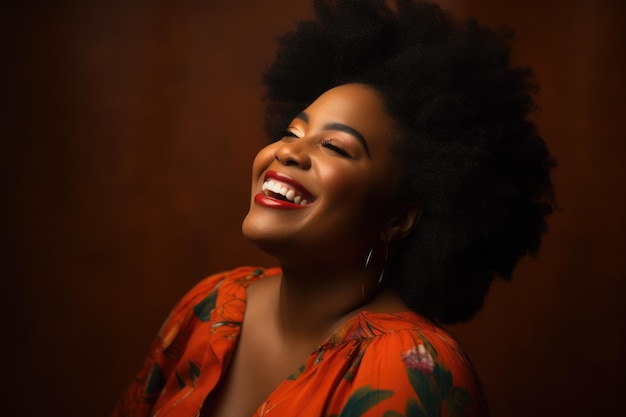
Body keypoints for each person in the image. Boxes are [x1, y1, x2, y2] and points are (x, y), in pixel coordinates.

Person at [112, 0, 556, 416]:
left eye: (335, 147)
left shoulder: (415, 369)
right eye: (291, 131)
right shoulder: (208, 305)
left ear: (398, 219)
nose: (289, 152)